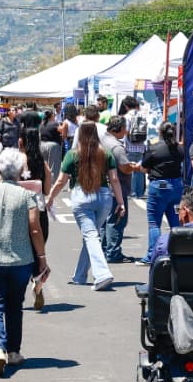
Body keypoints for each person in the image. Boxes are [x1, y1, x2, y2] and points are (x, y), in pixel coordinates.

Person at [0, 148, 50, 377]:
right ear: (21, 171)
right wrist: (41, 259)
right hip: (19, 261)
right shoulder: (27, 196)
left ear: (0, 169)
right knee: (15, 306)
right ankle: (13, 351)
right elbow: (35, 228)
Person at [47, 121, 125, 290]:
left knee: (90, 235)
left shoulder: (72, 154)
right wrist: (121, 202)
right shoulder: (106, 154)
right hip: (104, 198)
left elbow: (61, 180)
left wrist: (51, 197)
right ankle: (80, 276)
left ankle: (102, 274)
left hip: (81, 196)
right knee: (92, 236)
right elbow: (114, 179)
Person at [137, 122, 185, 266]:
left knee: (154, 222)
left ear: (160, 132)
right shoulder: (179, 149)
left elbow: (143, 168)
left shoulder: (154, 148)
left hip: (159, 185)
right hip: (176, 186)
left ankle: (153, 254)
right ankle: (179, 251)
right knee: (175, 222)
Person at [19, 129, 53, 311]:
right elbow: (47, 190)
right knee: (38, 250)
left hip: (18, 210)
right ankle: (38, 283)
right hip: (39, 210)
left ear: (21, 141)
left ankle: (19, 290)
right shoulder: (43, 163)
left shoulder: (15, 161)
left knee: (20, 252)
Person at [100, 116, 140, 263]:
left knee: (105, 221)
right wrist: (134, 167)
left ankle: (105, 249)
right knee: (117, 220)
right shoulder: (116, 147)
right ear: (120, 128)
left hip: (103, 186)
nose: (126, 131)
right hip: (116, 188)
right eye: (125, 127)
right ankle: (113, 252)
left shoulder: (103, 140)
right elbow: (124, 167)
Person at [120, 96, 148, 201]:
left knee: (130, 168)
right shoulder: (142, 115)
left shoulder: (127, 117)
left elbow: (126, 131)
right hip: (141, 146)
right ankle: (140, 192)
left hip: (130, 146)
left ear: (126, 106)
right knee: (139, 169)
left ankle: (132, 192)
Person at [39, 110, 63, 186]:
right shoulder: (55, 124)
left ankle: (43, 181)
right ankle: (51, 183)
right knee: (53, 166)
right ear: (52, 116)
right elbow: (61, 130)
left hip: (42, 145)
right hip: (53, 146)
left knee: (44, 165)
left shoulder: (42, 124)